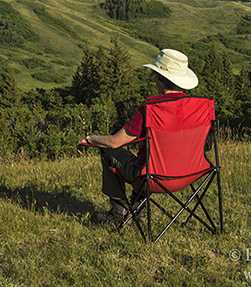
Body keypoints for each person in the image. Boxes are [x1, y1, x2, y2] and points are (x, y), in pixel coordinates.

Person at [76, 48, 199, 223]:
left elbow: (114, 142)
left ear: (161, 80)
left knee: (107, 150)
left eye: (155, 74)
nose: (153, 78)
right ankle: (138, 208)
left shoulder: (151, 108)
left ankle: (119, 211)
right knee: (150, 161)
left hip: (153, 178)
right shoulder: (198, 107)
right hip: (191, 174)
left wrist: (90, 139)